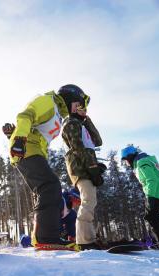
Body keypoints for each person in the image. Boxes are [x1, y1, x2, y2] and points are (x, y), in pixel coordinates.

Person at [2, 86, 79, 251]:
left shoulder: (59, 113)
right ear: (69, 97)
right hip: (26, 148)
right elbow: (26, 115)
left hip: (35, 150)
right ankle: (46, 238)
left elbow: (39, 134)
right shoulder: (48, 101)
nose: (77, 108)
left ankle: (45, 236)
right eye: (77, 103)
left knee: (50, 190)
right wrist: (18, 138)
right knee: (49, 186)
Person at [60, 84, 106, 250]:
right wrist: (93, 169)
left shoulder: (81, 123)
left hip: (87, 166)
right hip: (81, 169)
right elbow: (78, 148)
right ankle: (85, 241)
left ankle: (88, 239)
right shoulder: (70, 123)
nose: (82, 108)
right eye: (79, 105)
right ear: (71, 105)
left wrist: (86, 118)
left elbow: (98, 141)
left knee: (90, 201)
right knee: (88, 201)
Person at [121, 145, 159, 250]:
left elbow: (151, 180)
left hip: (156, 193)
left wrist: (150, 197)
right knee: (153, 216)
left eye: (126, 160)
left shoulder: (141, 162)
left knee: (151, 217)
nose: (126, 163)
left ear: (130, 157)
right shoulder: (144, 160)